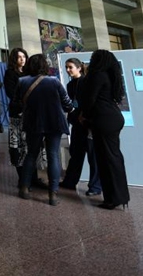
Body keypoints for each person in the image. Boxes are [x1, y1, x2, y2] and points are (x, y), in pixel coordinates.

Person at [14, 54, 72, 206]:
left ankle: (25, 188)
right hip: (54, 122)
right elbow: (67, 103)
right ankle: (53, 194)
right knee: (53, 155)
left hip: (34, 122)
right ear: (45, 66)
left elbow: (17, 103)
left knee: (31, 154)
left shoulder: (22, 81)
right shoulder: (54, 81)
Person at [79, 50, 130, 210]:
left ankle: (113, 198)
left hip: (103, 119)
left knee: (106, 159)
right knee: (114, 157)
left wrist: (83, 116)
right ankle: (120, 196)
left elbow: (89, 100)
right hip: (113, 118)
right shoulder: (109, 75)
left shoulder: (97, 75)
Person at [60, 58, 102, 196]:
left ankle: (95, 187)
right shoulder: (70, 85)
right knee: (76, 154)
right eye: (66, 67)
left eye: (70, 67)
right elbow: (71, 103)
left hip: (88, 123)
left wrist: (84, 115)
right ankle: (70, 182)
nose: (67, 70)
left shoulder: (87, 82)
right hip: (77, 123)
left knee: (92, 155)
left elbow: (91, 102)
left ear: (79, 68)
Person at [4, 47, 29, 184]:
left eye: (24, 57)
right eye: (19, 57)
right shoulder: (10, 73)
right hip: (17, 112)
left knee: (29, 146)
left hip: (30, 112)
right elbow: (11, 93)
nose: (22, 59)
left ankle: (33, 176)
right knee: (18, 145)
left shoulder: (29, 72)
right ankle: (22, 178)